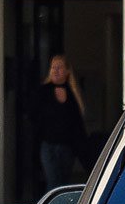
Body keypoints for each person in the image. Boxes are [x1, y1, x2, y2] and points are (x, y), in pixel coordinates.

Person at [31, 55, 87, 191]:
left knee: (63, 183)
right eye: (53, 67)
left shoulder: (72, 94)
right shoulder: (43, 92)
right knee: (52, 182)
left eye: (59, 67)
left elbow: (77, 123)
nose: (55, 70)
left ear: (67, 71)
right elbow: (35, 117)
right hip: (48, 145)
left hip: (67, 147)